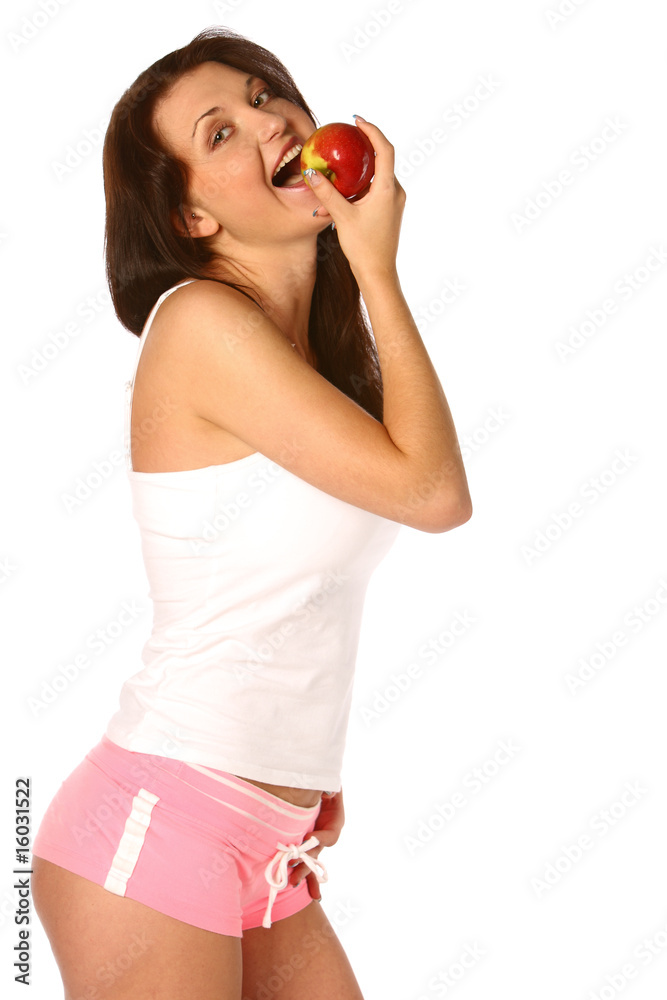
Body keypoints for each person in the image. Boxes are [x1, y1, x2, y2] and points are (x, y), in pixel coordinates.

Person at [31, 25, 472, 1000]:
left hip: (268, 837)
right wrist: (379, 265)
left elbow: (280, 585)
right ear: (189, 215)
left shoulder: (312, 358)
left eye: (265, 94)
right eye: (219, 131)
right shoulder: (200, 324)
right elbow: (435, 495)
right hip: (160, 824)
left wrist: (300, 763)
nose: (268, 120)